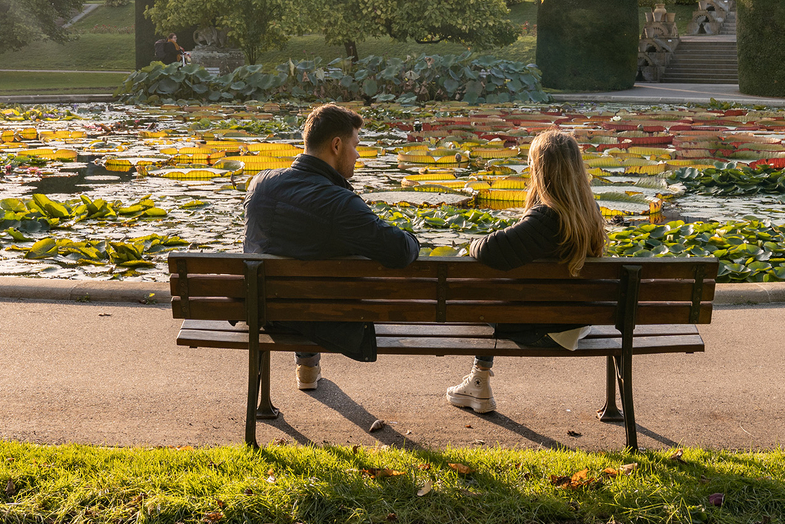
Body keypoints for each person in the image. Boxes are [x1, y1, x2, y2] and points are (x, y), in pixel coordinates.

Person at [242, 103, 419, 390]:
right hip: (322, 319)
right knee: (330, 251)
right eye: (355, 144)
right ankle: (308, 364)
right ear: (336, 145)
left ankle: (307, 365)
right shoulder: (340, 203)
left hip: (262, 312)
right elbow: (399, 251)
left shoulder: (260, 183)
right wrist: (413, 238)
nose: (358, 154)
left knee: (303, 245)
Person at [445, 129, 607, 414]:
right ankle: (478, 381)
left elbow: (489, 250)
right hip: (579, 321)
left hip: (547, 328)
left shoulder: (546, 217)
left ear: (541, 170)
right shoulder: (588, 211)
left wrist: (471, 244)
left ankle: (479, 381)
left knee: (484, 297)